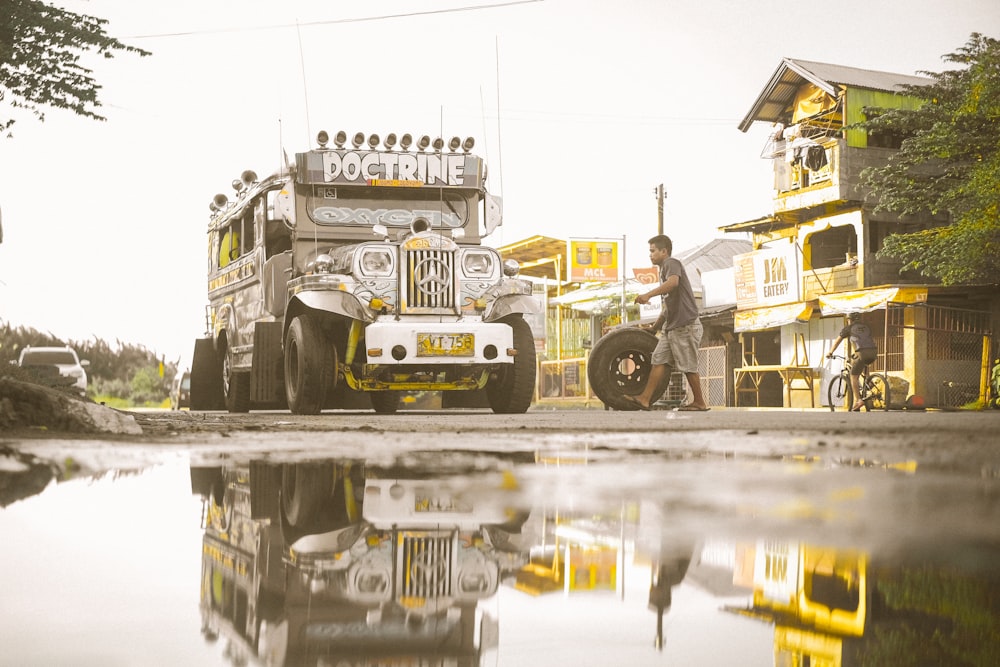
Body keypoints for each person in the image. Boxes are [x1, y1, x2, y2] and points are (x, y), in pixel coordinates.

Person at [626, 234, 709, 411]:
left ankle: (700, 402)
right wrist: (655, 328)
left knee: (687, 365)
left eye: (653, 251)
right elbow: (667, 307)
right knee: (658, 360)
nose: (650, 255)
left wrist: (648, 294)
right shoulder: (663, 270)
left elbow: (673, 283)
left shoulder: (672, 263)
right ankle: (644, 399)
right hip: (671, 327)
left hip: (685, 325)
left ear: (664, 251)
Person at [827, 312, 877, 411]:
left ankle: (858, 400)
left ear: (850, 320)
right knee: (859, 361)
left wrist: (830, 352)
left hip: (861, 353)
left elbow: (837, 341)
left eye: (848, 319)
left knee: (853, 376)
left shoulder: (849, 328)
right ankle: (869, 382)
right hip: (873, 352)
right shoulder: (866, 326)